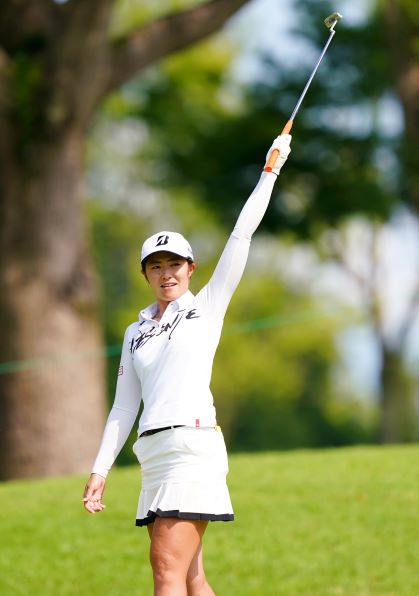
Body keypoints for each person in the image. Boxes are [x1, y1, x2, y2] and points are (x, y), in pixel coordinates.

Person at [83, 134, 292, 595]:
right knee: (191, 577)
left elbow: (241, 235)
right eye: (156, 266)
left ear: (191, 268)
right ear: (145, 273)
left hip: (191, 448)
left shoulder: (207, 307)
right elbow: (123, 408)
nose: (166, 274)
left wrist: (270, 171)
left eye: (175, 264)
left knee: (166, 568)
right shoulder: (135, 332)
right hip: (153, 455)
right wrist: (100, 469)